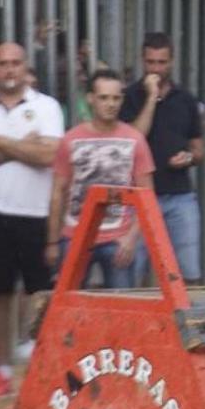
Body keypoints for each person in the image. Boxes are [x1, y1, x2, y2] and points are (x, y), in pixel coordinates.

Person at [0, 42, 64, 399]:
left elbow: (50, 156)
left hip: (36, 214)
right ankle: (3, 372)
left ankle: (42, 370)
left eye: (15, 63)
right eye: (2, 63)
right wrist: (25, 147)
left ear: (25, 67)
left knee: (39, 296)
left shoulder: (47, 106)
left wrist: (2, 143)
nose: (9, 69)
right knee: (0, 294)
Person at [47, 70, 155, 289]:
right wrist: (52, 241)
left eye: (116, 98)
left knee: (121, 311)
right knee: (72, 311)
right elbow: (57, 192)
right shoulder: (71, 139)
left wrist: (131, 238)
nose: (111, 104)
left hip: (117, 240)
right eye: (104, 98)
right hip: (74, 238)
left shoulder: (135, 140)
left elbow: (147, 195)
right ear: (90, 99)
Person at [119, 32, 205, 283]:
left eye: (162, 62)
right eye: (151, 62)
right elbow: (133, 139)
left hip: (180, 196)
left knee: (188, 272)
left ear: (172, 61)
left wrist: (189, 158)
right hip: (140, 198)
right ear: (142, 61)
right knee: (133, 272)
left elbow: (199, 149)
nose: (156, 68)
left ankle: (185, 322)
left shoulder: (186, 100)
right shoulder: (130, 96)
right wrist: (151, 99)